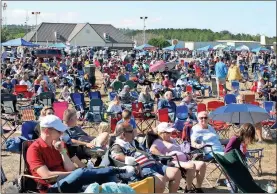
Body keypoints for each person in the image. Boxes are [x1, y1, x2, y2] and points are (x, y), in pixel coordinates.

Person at [26, 115, 134, 193]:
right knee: (81, 172)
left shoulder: (58, 144)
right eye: (59, 131)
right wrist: (75, 174)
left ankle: (119, 180)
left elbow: (70, 168)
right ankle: (117, 170)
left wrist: (62, 151)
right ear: (46, 131)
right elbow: (47, 176)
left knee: (102, 181)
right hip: (52, 187)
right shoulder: (34, 149)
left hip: (67, 183)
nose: (62, 134)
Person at [110, 123, 182, 193]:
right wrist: (133, 161)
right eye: (131, 131)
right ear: (123, 134)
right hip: (143, 169)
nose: (134, 132)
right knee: (160, 180)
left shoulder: (134, 142)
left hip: (154, 163)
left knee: (176, 172)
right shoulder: (117, 145)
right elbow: (117, 156)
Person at [150, 122, 206, 193]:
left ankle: (198, 187)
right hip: (172, 162)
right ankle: (189, 189)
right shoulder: (159, 141)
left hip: (185, 160)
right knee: (191, 166)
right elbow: (152, 150)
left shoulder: (171, 139)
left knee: (202, 164)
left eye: (170, 132)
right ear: (161, 133)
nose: (170, 134)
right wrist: (165, 156)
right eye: (168, 132)